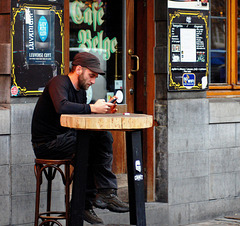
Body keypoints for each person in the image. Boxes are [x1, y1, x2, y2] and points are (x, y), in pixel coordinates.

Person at [31, 52, 129, 225]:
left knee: (103, 137)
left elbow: (82, 120)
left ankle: (102, 194)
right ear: (78, 69)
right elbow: (62, 106)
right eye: (91, 76)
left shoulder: (82, 93)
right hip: (47, 144)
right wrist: (92, 108)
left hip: (69, 139)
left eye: (95, 77)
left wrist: (101, 110)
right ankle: (85, 203)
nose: (93, 81)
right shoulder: (58, 83)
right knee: (88, 146)